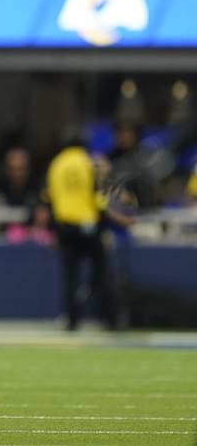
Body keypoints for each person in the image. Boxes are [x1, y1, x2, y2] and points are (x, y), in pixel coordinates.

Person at [46, 128, 133, 331]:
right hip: (89, 224)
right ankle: (110, 320)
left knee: (70, 276)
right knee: (101, 273)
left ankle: (71, 320)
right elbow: (98, 194)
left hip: (65, 225)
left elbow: (52, 198)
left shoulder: (56, 164)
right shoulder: (88, 161)